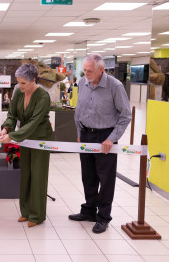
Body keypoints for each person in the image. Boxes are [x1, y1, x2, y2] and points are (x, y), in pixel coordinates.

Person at [70, 53, 131, 234]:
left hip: (105, 137)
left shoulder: (115, 86)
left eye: (89, 71)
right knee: (88, 176)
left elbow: (126, 115)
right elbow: (79, 110)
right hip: (86, 134)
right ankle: (89, 210)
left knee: (105, 179)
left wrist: (111, 138)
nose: (86, 74)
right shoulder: (82, 83)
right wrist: (79, 132)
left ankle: (103, 217)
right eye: (84, 70)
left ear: (101, 70)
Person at [0, 63, 52, 228]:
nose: (19, 86)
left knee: (38, 175)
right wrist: (7, 128)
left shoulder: (43, 96)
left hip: (40, 137)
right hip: (24, 137)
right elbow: (12, 114)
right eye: (18, 82)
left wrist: (13, 136)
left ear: (34, 80)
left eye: (23, 83)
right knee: (26, 174)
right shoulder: (19, 93)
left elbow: (35, 122)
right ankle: (26, 212)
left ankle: (37, 216)